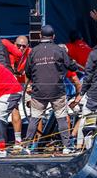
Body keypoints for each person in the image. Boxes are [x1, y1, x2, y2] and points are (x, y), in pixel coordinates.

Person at [24, 24, 78, 154]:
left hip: (39, 92)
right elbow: (71, 67)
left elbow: (27, 72)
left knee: (35, 118)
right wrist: (74, 63)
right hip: (57, 91)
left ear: (40, 36)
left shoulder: (33, 51)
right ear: (53, 36)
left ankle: (26, 147)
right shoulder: (59, 50)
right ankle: (66, 146)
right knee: (61, 118)